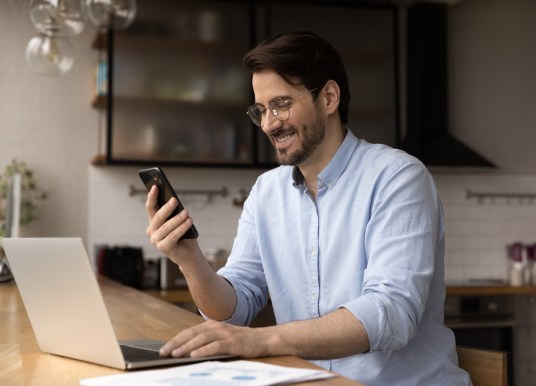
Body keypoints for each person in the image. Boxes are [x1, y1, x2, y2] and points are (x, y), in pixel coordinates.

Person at [145, 31, 471, 386]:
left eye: (281, 104)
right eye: (261, 110)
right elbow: (234, 310)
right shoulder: (267, 192)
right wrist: (190, 260)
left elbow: (390, 313)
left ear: (329, 97)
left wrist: (263, 340)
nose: (268, 124)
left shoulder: (397, 177)